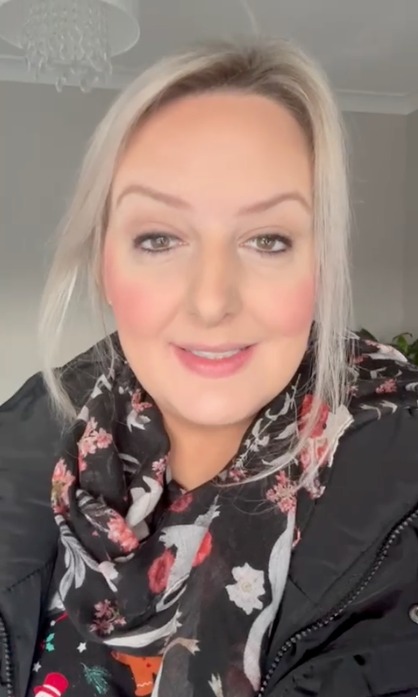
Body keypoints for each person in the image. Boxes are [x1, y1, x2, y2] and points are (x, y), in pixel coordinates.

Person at [0, 38, 417, 697]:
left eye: (268, 239)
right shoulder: (22, 447)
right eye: (159, 238)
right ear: (105, 263)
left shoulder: (402, 479)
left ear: (320, 267)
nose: (212, 299)